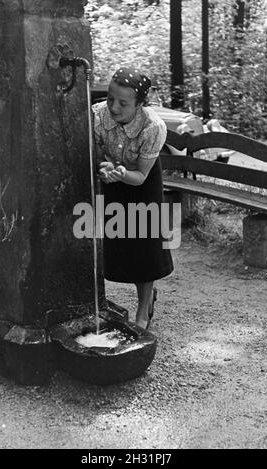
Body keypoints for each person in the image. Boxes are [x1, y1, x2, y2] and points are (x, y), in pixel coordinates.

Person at [93, 66, 174, 329]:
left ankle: (143, 308)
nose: (113, 107)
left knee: (144, 247)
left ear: (140, 104)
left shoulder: (153, 128)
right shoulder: (98, 115)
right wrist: (103, 167)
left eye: (123, 103)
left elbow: (139, 175)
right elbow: (96, 154)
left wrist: (119, 173)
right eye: (110, 99)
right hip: (114, 175)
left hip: (143, 181)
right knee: (120, 240)